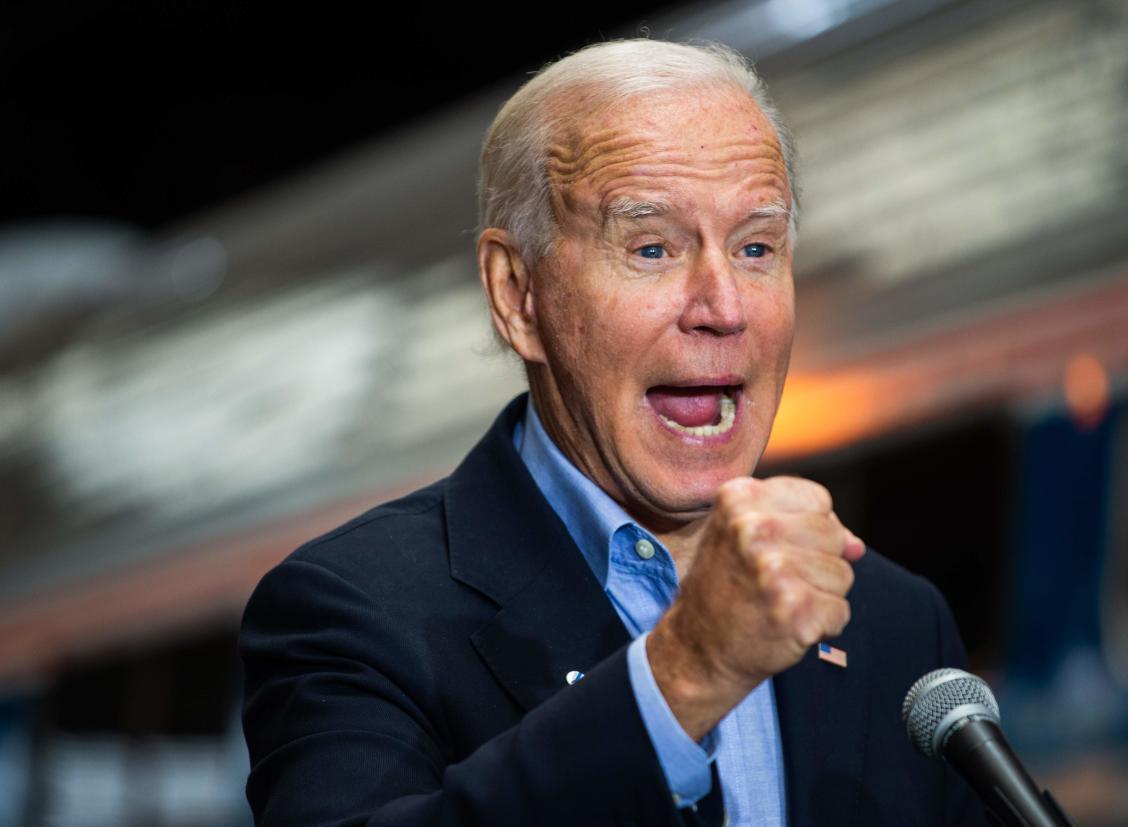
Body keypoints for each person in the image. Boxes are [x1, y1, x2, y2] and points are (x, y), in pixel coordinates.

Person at [240, 39, 988, 827]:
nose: (723, 306)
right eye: (653, 248)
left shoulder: (895, 623)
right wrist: (686, 673)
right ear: (518, 294)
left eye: (756, 247)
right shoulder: (349, 609)